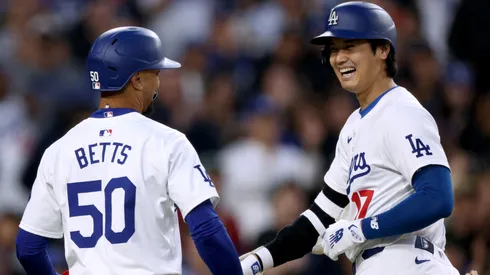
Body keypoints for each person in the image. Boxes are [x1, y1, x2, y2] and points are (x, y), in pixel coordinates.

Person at [240, 2, 463, 274]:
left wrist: (360, 228)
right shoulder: (353, 126)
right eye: (333, 50)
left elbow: (438, 197)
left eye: (350, 46)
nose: (338, 58)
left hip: (408, 259)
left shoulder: (402, 111)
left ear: (383, 49)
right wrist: (258, 260)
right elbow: (317, 220)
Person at [15, 26, 243, 275]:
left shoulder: (58, 150)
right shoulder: (168, 142)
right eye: (155, 73)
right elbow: (207, 233)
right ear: (136, 79)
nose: (158, 82)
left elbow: (28, 248)